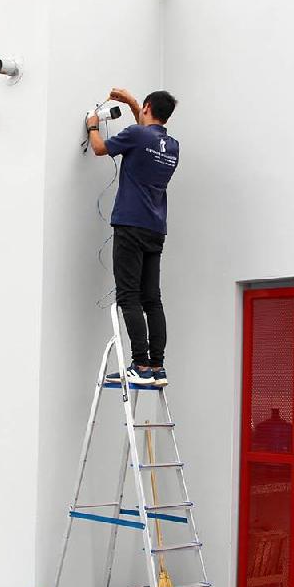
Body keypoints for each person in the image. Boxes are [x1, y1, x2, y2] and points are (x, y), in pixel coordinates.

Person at [86, 87, 180, 387]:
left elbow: (99, 148)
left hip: (130, 224)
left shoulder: (137, 135)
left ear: (148, 107)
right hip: (155, 228)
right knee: (152, 299)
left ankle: (139, 364)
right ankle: (157, 366)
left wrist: (92, 125)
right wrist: (131, 102)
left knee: (129, 295)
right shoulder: (172, 146)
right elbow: (147, 131)